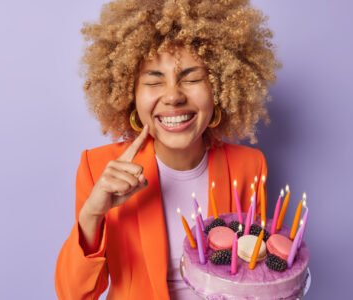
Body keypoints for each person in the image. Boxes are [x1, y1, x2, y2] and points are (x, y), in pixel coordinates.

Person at [55, 0, 279, 299]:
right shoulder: (98, 167)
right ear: (129, 94)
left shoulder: (249, 166)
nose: (173, 96)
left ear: (220, 88)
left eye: (192, 78)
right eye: (154, 80)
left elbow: (256, 277)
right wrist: (92, 215)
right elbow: (73, 295)